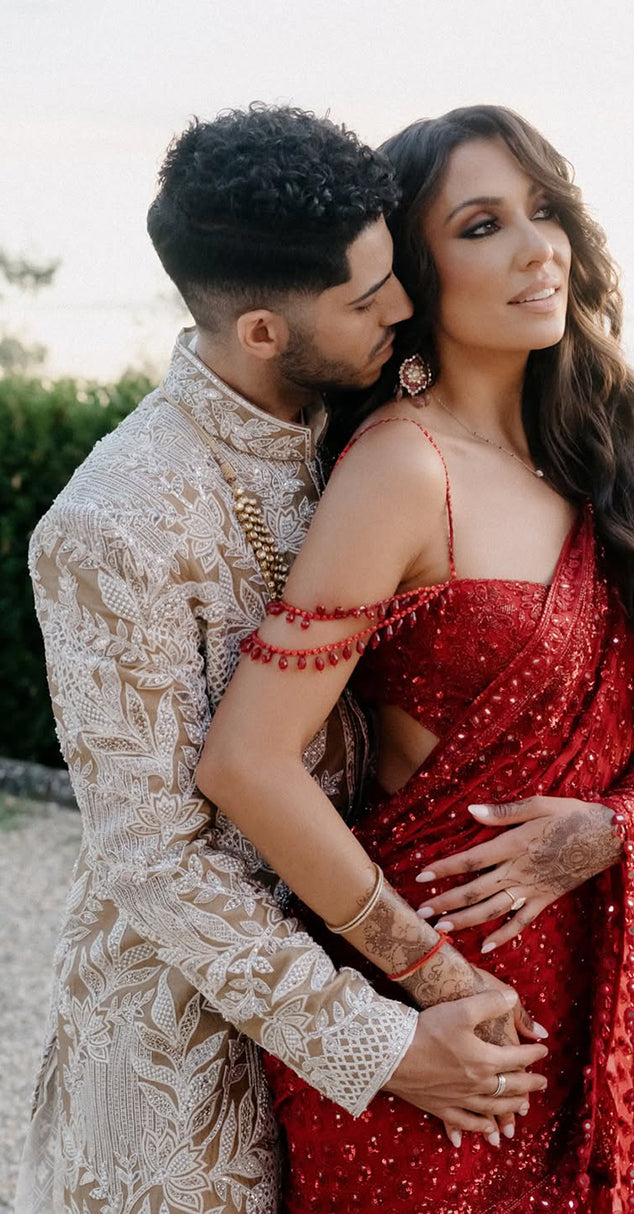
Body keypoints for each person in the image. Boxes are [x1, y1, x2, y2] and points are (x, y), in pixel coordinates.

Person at [197, 105, 634, 1213]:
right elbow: (246, 760)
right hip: (447, 1042)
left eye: (543, 211)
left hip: (592, 989)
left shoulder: (603, 459)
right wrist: (433, 985)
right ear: (414, 272)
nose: (536, 246)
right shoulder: (400, 472)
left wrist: (614, 827)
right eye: (483, 224)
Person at [16, 105, 550, 1214]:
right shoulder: (112, 525)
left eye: (393, 272)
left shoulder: (353, 419)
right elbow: (155, 858)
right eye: (366, 297)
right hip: (186, 1070)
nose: (400, 307)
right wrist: (386, 1041)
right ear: (262, 330)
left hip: (379, 976)